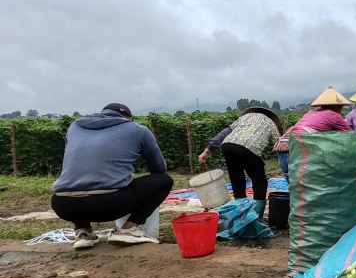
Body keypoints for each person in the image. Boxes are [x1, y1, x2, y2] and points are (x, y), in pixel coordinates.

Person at [51, 103, 173, 249]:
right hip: (108, 205)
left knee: (79, 181)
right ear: (128, 118)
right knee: (164, 181)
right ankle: (129, 230)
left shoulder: (75, 127)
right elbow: (159, 169)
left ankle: (83, 231)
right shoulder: (137, 130)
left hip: (62, 205)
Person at [198, 107, 282, 221]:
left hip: (227, 145)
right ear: (270, 116)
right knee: (260, 183)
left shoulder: (244, 118)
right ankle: (255, 219)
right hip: (248, 148)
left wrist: (205, 152)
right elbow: (279, 144)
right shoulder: (270, 123)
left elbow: (222, 135)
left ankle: (240, 215)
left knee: (237, 180)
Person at [273, 86, 356, 182]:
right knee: (308, 185)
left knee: (294, 186)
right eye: (341, 107)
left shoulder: (310, 113)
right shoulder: (334, 116)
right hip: (298, 147)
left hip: (284, 145)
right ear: (337, 106)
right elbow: (352, 137)